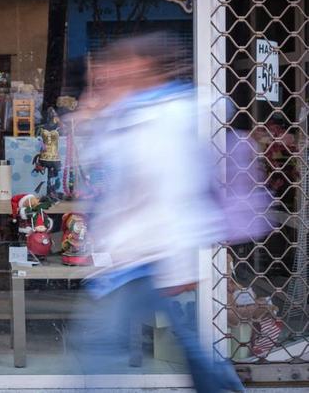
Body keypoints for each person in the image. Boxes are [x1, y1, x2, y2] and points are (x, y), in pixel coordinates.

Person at [72, 33, 266, 392]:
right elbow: (103, 176)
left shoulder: (169, 115)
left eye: (116, 68)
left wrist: (177, 265)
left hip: (149, 255)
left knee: (98, 345)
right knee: (193, 350)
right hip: (138, 256)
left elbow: (164, 190)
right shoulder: (130, 114)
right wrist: (91, 118)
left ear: (141, 67)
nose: (106, 77)